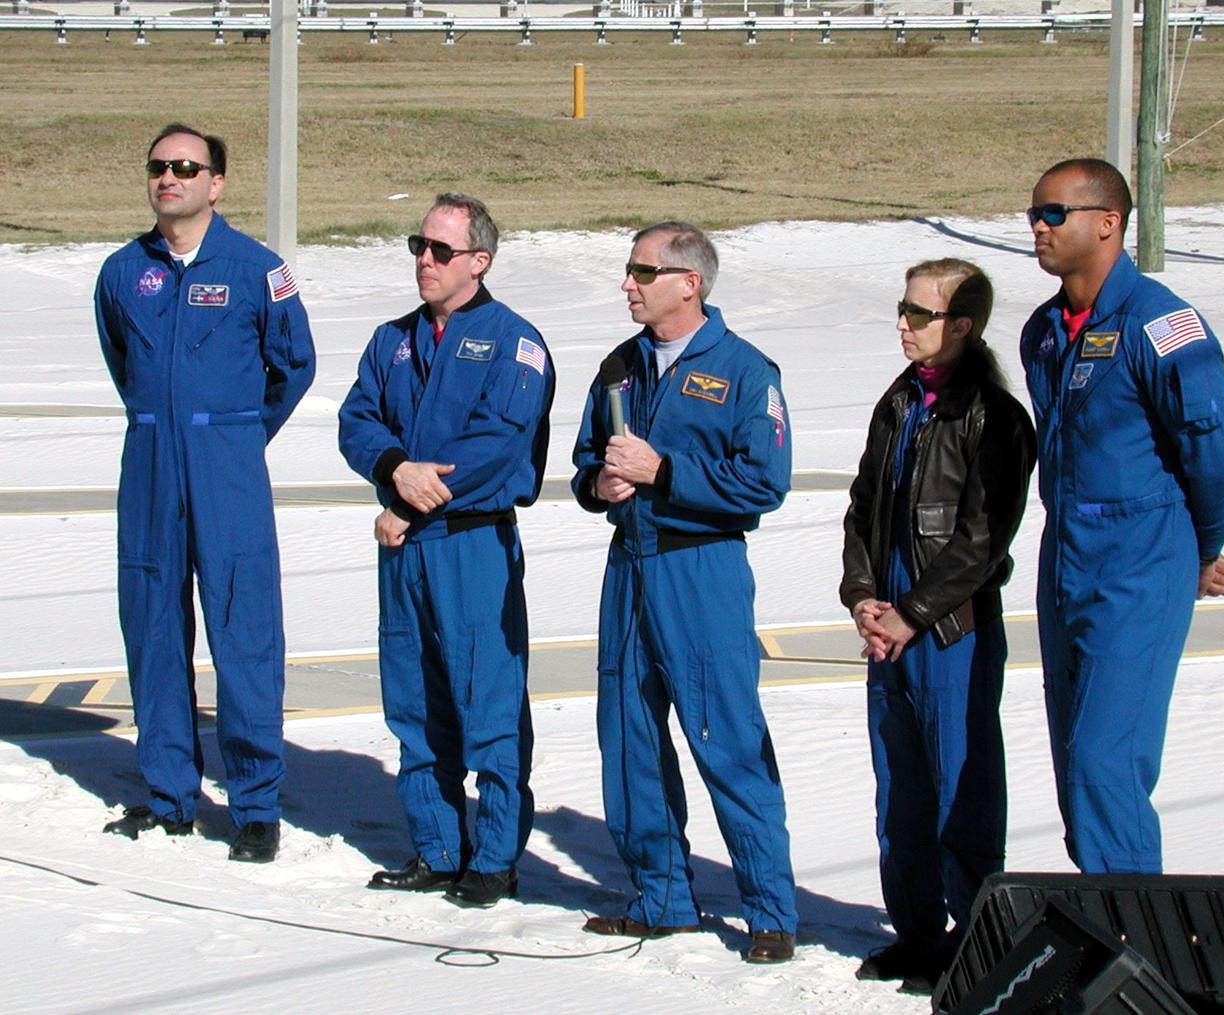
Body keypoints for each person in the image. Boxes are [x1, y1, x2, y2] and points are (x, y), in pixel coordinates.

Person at [571, 221, 798, 964]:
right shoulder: (619, 367)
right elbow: (586, 460)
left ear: (689, 282)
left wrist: (665, 472)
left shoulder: (744, 371)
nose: (628, 283)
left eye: (643, 270)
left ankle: (769, 910)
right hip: (628, 566)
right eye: (628, 269)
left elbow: (762, 484)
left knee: (725, 738)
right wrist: (598, 484)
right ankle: (661, 897)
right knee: (629, 739)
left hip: (701, 570)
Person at [94, 123, 315, 863]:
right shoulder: (124, 272)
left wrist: (239, 434)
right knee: (153, 627)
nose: (169, 178)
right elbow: (121, 357)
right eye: (158, 166)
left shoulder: (258, 268)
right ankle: (169, 794)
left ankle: (255, 804)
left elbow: (295, 364)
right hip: (151, 463)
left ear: (215, 183)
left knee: (244, 631)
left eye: (186, 168)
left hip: (228, 469)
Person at [1021, 158, 1224, 874]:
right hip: (1066, 563)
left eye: (1054, 213)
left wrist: (1194, 550)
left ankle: (1133, 940)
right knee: (1072, 761)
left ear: (1108, 222)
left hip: (1140, 565)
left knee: (1105, 759)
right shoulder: (1044, 332)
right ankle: (1102, 916)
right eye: (1034, 212)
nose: (1037, 227)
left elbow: (1218, 462)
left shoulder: (1163, 323)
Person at [338, 194, 554, 909]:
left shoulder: (513, 343)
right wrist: (394, 464)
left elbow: (496, 448)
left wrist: (406, 500)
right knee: (414, 699)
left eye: (440, 250)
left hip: (469, 544)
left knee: (486, 699)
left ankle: (493, 856)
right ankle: (437, 846)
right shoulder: (391, 339)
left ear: (480, 261)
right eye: (417, 247)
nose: (424, 261)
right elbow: (356, 418)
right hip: (404, 555)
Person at [840, 259, 1036, 992]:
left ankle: (978, 939)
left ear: (963, 325)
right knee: (902, 787)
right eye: (902, 308)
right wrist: (863, 594)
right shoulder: (899, 402)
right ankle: (917, 931)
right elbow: (863, 506)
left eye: (919, 314)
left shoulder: (993, 415)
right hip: (887, 627)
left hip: (950, 631)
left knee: (963, 788)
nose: (903, 323)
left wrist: (912, 614)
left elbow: (984, 539)